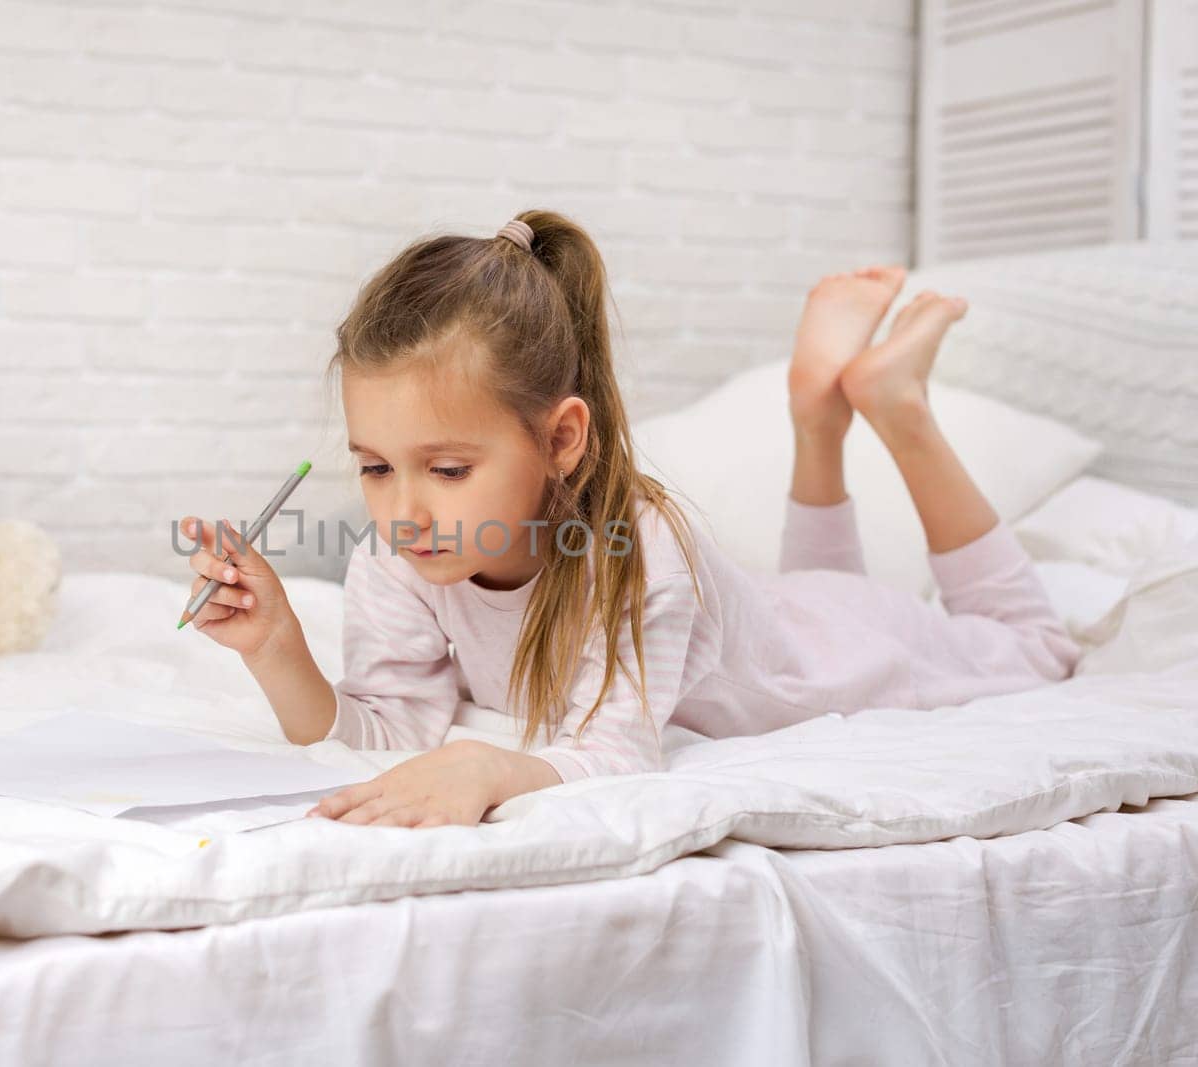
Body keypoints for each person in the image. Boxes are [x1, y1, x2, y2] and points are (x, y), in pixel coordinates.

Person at [177, 210, 1081, 828]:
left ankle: (894, 403)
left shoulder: (635, 552)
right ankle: (819, 409)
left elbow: (618, 754)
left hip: (835, 655)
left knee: (1035, 646)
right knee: (821, 590)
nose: (403, 510)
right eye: (374, 467)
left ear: (563, 438)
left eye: (447, 468)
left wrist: (494, 771)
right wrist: (277, 647)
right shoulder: (401, 555)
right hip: (787, 610)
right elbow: (392, 729)